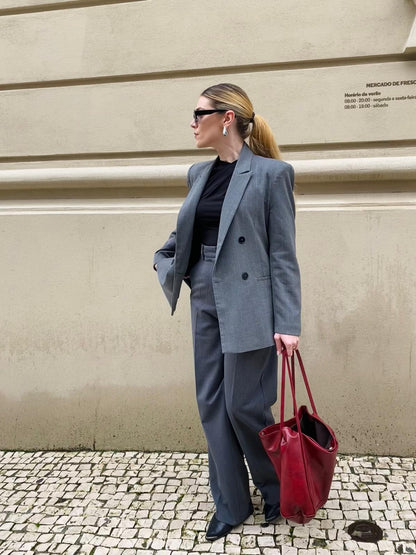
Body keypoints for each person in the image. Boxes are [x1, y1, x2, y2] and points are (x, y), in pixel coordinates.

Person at [153, 83, 301, 541]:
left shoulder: (273, 175)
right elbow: (185, 233)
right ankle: (231, 504)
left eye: (199, 113)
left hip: (250, 302)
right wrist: (166, 260)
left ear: (227, 118)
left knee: (244, 404)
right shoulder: (198, 172)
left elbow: (282, 254)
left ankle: (277, 490)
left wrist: (288, 322)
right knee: (212, 404)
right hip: (205, 296)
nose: (193, 122)